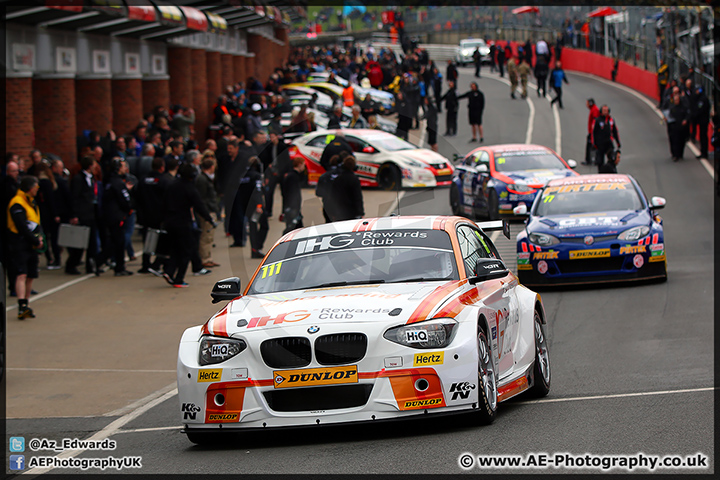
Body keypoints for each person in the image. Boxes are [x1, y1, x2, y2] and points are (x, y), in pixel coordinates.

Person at [161, 163, 214, 287]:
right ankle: (179, 278)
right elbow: (199, 205)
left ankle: (169, 271)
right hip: (183, 222)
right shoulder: (189, 188)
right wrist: (209, 218)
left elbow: (163, 203)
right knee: (186, 250)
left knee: (175, 248)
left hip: (169, 221)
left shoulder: (172, 185)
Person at [7, 176, 44, 319]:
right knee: (21, 274)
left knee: (30, 275)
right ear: (30, 187)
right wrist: (34, 240)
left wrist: (39, 237)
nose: (37, 189)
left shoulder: (31, 202)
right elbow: (21, 226)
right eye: (36, 187)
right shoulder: (17, 203)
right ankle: (21, 305)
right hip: (20, 242)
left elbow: (35, 221)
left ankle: (26, 304)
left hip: (31, 243)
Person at [66, 156, 100, 275]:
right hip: (82, 214)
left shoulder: (91, 178)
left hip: (90, 214)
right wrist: (74, 215)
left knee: (92, 243)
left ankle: (91, 265)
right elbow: (74, 198)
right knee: (79, 243)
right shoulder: (78, 179)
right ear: (90, 166)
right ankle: (71, 264)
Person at [136, 157, 169, 274]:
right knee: (161, 241)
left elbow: (137, 197)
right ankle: (157, 264)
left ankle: (145, 264)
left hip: (145, 215)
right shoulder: (163, 181)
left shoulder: (143, 180)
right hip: (159, 216)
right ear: (162, 167)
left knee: (147, 240)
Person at [102, 158, 133, 276]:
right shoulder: (118, 183)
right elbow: (125, 201)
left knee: (116, 240)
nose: (125, 169)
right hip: (117, 216)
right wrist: (129, 207)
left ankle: (115, 265)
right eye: (123, 166)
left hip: (111, 215)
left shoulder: (110, 182)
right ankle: (117, 266)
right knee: (118, 241)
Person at [195, 157, 220, 268]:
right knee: (206, 236)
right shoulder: (203, 180)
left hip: (209, 209)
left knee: (209, 236)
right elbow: (203, 197)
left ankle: (208, 257)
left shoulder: (204, 178)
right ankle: (205, 258)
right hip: (207, 211)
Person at [329, 155, 364, 221]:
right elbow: (357, 197)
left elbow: (333, 196)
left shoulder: (338, 179)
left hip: (339, 211)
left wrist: (332, 212)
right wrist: (360, 212)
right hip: (352, 212)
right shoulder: (354, 179)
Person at [281, 156, 306, 234]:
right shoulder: (293, 177)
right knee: (293, 229)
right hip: (293, 207)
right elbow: (292, 193)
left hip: (291, 207)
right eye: (303, 165)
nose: (304, 167)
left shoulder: (291, 176)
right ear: (299, 164)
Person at [591, 105, 621, 170]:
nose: (605, 112)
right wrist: (594, 143)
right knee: (600, 161)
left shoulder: (611, 120)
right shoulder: (598, 120)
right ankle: (601, 172)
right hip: (600, 143)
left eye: (606, 110)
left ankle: (612, 170)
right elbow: (594, 132)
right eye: (604, 110)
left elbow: (615, 131)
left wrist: (618, 142)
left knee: (612, 158)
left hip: (608, 142)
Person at [667, 93, 689, 162]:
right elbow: (669, 116)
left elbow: (688, 115)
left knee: (682, 141)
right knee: (674, 141)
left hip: (682, 128)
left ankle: (680, 154)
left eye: (677, 100)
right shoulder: (672, 108)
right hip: (674, 127)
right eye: (675, 100)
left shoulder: (684, 107)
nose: (676, 101)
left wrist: (685, 120)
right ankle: (675, 155)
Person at [692, 86, 710, 160]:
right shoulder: (699, 98)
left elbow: (700, 109)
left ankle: (704, 152)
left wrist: (695, 115)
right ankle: (702, 151)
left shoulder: (703, 99)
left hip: (703, 120)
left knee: (703, 136)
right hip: (701, 120)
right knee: (702, 136)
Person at [585, 98, 600, 165]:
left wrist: (592, 132)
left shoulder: (594, 110)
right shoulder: (593, 109)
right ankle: (590, 159)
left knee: (591, 146)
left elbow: (595, 121)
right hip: (592, 132)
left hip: (593, 133)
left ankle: (590, 160)